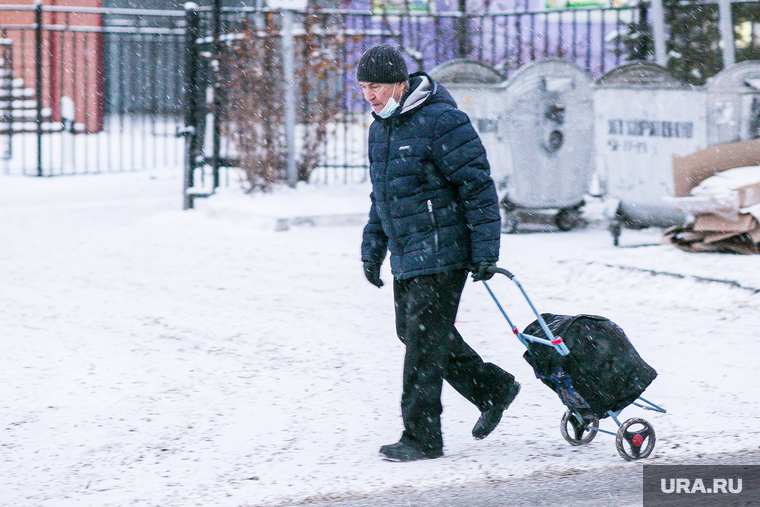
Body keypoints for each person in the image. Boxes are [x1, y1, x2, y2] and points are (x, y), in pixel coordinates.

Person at [358, 44, 520, 462]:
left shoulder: (441, 120)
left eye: (376, 86)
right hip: (408, 250)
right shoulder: (381, 128)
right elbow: (384, 197)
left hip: (443, 249)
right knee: (414, 335)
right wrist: (372, 247)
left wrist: (485, 249)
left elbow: (477, 185)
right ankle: (492, 388)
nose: (370, 96)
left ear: (399, 82)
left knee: (422, 346)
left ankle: (422, 436)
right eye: (363, 88)